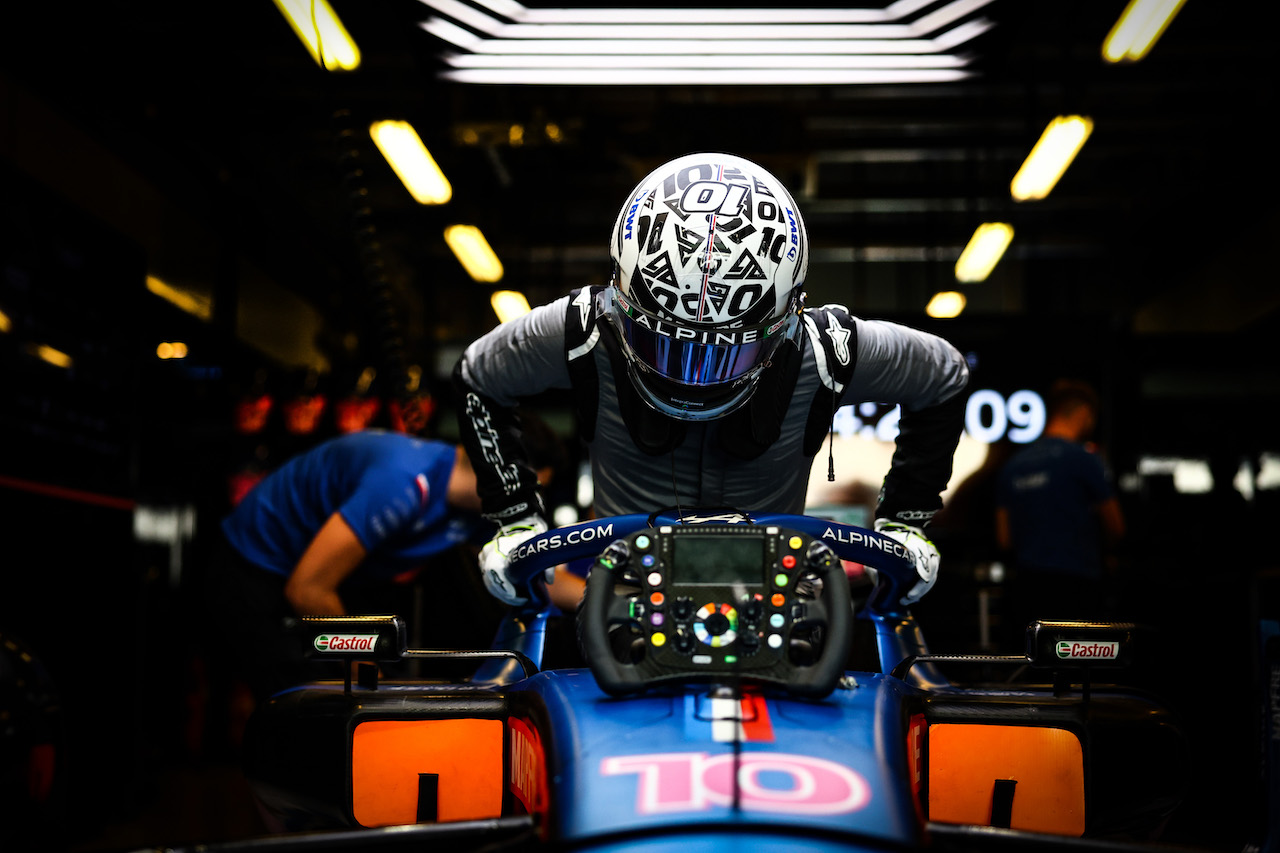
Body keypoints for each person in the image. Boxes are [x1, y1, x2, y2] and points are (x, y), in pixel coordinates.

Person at [452, 152, 971, 609]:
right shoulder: (586, 330)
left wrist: (906, 517)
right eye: (668, 344)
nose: (692, 377)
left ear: (789, 316)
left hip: (779, 607)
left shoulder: (822, 348)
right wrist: (515, 515)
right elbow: (479, 377)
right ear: (619, 298)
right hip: (628, 603)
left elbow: (943, 376)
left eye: (726, 350)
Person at [202, 428, 491, 701]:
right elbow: (307, 591)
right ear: (504, 473)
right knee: (308, 712)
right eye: (531, 486)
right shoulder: (402, 481)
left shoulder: (479, 507)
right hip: (254, 564)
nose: (527, 500)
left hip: (324, 580)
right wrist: (370, 679)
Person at [994, 379, 1125, 636]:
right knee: (1077, 664)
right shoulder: (1085, 461)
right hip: (1078, 587)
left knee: (1035, 666)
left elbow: (1004, 539)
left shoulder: (1012, 467)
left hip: (1027, 587)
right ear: (1084, 413)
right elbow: (1117, 527)